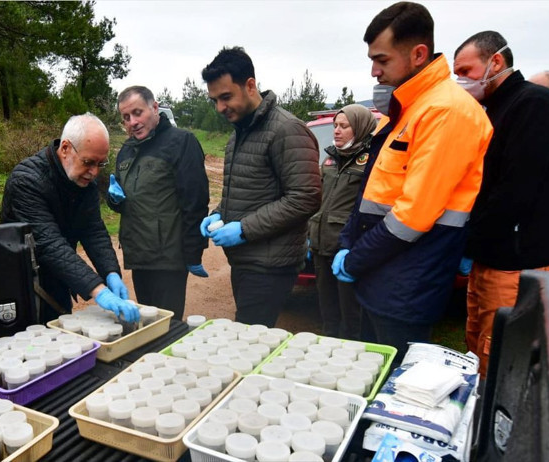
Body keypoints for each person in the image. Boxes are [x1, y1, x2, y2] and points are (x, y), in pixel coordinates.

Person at [333, 2, 493, 363]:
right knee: (369, 373)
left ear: (418, 54)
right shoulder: (409, 107)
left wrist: (355, 259)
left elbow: (413, 216)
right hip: (382, 276)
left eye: (382, 60)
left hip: (406, 285)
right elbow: (374, 192)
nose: (374, 71)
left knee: (393, 384)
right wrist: (348, 242)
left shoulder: (447, 111)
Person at [454, 31, 549, 378]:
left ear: (496, 62)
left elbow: (516, 189)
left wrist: (469, 238)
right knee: (477, 346)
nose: (461, 80)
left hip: (519, 262)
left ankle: (496, 413)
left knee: (502, 357)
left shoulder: (533, 104)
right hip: (490, 257)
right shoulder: (493, 109)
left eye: (466, 71)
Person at [200, 47, 322, 328]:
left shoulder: (287, 129)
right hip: (247, 259)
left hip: (271, 263)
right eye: (214, 100)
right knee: (250, 333)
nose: (219, 108)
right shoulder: (240, 133)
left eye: (226, 97)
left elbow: (306, 197)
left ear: (250, 85)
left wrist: (243, 229)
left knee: (247, 337)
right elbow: (246, 190)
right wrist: (218, 213)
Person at [1, 113, 139, 324]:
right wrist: (98, 290)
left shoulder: (83, 181)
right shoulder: (26, 181)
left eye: (100, 164)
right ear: (65, 148)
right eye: (88, 162)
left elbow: (93, 230)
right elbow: (49, 244)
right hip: (23, 287)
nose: (94, 172)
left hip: (60, 281)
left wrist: (111, 272)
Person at [107, 86, 209, 321]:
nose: (132, 122)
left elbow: (195, 201)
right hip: (138, 256)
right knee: (146, 324)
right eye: (126, 117)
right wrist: (114, 200)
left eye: (137, 113)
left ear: (154, 108)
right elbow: (125, 201)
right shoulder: (126, 150)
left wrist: (193, 252)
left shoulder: (181, 142)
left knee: (167, 326)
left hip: (168, 259)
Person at [309, 104, 377, 340]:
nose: (336, 131)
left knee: (352, 314)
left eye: (344, 126)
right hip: (321, 245)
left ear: (360, 128)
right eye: (335, 125)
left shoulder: (372, 162)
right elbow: (317, 200)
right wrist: (309, 233)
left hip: (349, 247)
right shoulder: (329, 160)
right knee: (327, 310)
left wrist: (356, 245)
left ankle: (352, 350)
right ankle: (328, 346)